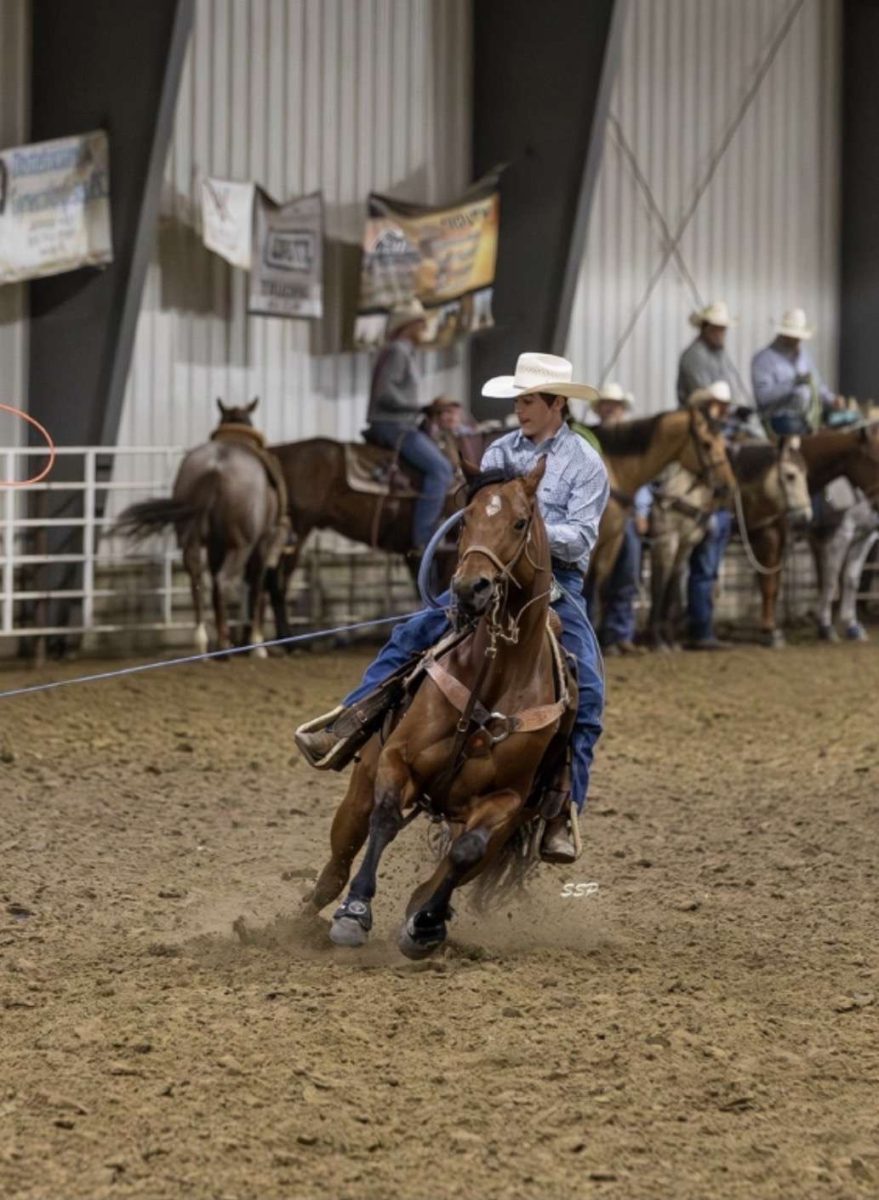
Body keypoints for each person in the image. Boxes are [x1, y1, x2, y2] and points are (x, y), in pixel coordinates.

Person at [296, 352, 609, 865]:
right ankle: (348, 721)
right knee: (412, 632)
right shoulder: (499, 453)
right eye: (518, 400)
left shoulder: (583, 462)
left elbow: (583, 537)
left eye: (529, 401)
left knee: (589, 690)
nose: (520, 410)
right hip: (490, 577)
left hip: (553, 585)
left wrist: (527, 532)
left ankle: (561, 812)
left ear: (557, 404)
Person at [366, 299, 454, 553]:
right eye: (420, 323)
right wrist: (420, 407)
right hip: (393, 425)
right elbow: (385, 394)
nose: (424, 327)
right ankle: (424, 537)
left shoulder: (400, 352)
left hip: (398, 422)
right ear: (408, 326)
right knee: (441, 469)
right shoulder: (398, 352)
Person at [585, 383, 650, 655]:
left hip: (626, 515)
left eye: (615, 404)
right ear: (599, 410)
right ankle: (590, 634)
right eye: (606, 404)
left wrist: (642, 512)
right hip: (595, 517)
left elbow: (643, 480)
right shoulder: (590, 440)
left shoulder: (631, 443)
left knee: (626, 574)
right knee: (590, 576)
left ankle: (618, 633)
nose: (610, 408)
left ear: (622, 410)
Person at [681, 380, 737, 650]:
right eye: (716, 405)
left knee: (709, 571)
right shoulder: (701, 438)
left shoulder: (718, 434)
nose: (721, 410)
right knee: (704, 570)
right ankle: (700, 629)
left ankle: (703, 626)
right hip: (706, 508)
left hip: (719, 508)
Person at [751, 308, 847, 437]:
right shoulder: (763, 360)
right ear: (784, 335)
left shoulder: (803, 356)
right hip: (779, 418)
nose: (798, 341)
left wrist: (831, 400)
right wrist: (792, 383)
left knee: (841, 422)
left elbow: (816, 383)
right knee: (797, 428)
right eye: (794, 337)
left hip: (806, 415)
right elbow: (763, 396)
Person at [677, 301, 737, 407]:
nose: (721, 334)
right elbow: (704, 394)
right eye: (717, 329)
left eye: (723, 329)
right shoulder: (694, 355)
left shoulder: (718, 354)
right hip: (697, 417)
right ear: (705, 329)